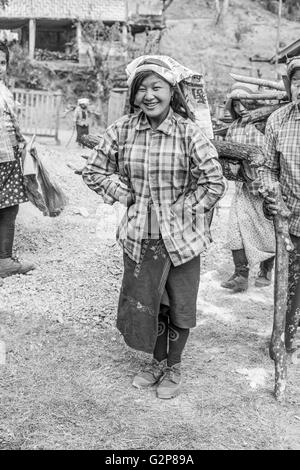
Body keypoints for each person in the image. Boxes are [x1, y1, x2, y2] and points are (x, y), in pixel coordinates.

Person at [82, 55, 226, 399]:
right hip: (139, 236)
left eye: (157, 87)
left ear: (170, 92)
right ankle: (156, 363)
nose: (149, 95)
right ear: (133, 95)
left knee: (179, 304)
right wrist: (125, 195)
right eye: (142, 88)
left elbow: (214, 183)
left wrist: (184, 209)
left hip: (182, 239)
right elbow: (94, 171)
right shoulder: (123, 130)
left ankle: (174, 367)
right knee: (151, 302)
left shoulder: (189, 133)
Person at [221, 82, 275, 293]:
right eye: (236, 104)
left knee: (266, 232)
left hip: (265, 188)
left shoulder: (264, 125)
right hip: (244, 188)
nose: (241, 108)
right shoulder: (234, 127)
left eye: (244, 103)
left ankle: (265, 270)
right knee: (235, 229)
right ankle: (241, 274)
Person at [261, 56, 300, 349]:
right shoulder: (279, 120)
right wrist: (273, 197)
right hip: (292, 220)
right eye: (298, 81)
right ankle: (285, 338)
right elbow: (268, 169)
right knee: (289, 286)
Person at [0, 42, 35, 280]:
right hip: (3, 156)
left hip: (7, 155)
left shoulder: (4, 90)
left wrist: (20, 142)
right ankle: (4, 261)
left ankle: (4, 259)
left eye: (2, 62)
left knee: (9, 206)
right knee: (8, 205)